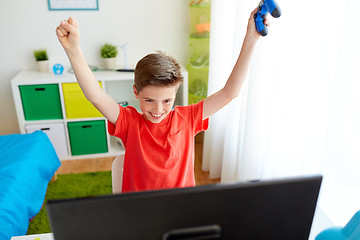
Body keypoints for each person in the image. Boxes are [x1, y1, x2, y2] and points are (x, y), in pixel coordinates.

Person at [56, 8, 268, 193]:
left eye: (167, 101)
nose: (158, 109)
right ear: (136, 92)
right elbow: (95, 95)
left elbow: (230, 92)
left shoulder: (188, 118)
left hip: (179, 213)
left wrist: (251, 37)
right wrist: (73, 50)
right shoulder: (129, 122)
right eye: (149, 100)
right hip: (139, 215)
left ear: (175, 95)